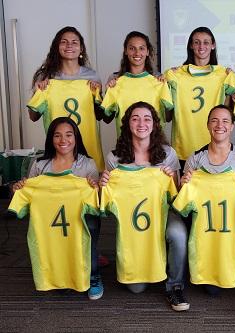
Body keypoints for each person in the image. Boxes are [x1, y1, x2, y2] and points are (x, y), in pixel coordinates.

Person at [98, 101, 188, 311]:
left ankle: (175, 285)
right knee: (137, 288)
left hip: (164, 211)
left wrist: (172, 178)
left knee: (178, 234)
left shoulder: (168, 154)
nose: (141, 123)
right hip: (132, 220)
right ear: (127, 124)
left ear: (155, 124)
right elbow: (107, 201)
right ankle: (149, 260)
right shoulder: (115, 158)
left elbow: (176, 195)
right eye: (135, 118)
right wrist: (103, 186)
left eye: (147, 119)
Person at [180, 105, 235, 301]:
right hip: (205, 222)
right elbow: (184, 202)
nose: (219, 125)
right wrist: (184, 184)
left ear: (231, 127)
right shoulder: (195, 159)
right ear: (208, 125)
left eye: (225, 121)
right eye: (214, 120)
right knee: (212, 290)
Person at [12, 117, 102, 300]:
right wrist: (19, 189)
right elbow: (29, 196)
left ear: (76, 138)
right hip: (49, 222)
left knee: (90, 226)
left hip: (80, 219)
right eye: (57, 136)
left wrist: (95, 188)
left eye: (69, 135)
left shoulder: (88, 164)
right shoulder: (39, 165)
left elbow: (96, 203)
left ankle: (93, 274)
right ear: (51, 139)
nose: (63, 140)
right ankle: (56, 273)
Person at [28, 26, 106, 170]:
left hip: (89, 149)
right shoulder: (47, 78)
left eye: (74, 42)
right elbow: (33, 116)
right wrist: (38, 91)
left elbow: (101, 116)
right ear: (57, 47)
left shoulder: (92, 76)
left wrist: (98, 94)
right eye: (64, 42)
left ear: (81, 48)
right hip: (59, 150)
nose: (69, 45)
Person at [164, 27, 235, 164]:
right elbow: (167, 115)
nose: (201, 46)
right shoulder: (175, 75)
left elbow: (230, 112)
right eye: (197, 42)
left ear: (213, 45)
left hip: (213, 147)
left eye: (206, 42)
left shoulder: (223, 75)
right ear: (191, 45)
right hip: (184, 148)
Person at [101, 31, 172, 135]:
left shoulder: (158, 80)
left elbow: (168, 117)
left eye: (141, 48)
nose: (137, 53)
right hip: (126, 145)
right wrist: (108, 92)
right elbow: (107, 119)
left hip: (154, 144)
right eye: (132, 48)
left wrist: (167, 88)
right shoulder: (116, 81)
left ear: (147, 51)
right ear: (125, 51)